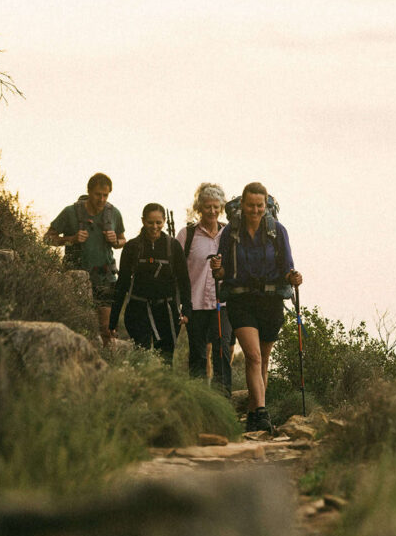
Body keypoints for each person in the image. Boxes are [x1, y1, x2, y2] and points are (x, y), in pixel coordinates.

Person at [211, 182, 302, 433]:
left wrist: (293, 277)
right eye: (251, 205)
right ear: (242, 204)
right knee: (253, 356)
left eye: (259, 205)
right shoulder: (231, 232)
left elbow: (287, 267)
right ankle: (262, 413)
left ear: (266, 205)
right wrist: (218, 270)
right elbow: (223, 269)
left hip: (270, 301)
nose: (255, 210)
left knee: (263, 361)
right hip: (241, 301)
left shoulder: (277, 231)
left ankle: (252, 413)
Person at [45, 173, 126, 344]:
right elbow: (47, 238)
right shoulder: (70, 212)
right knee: (76, 324)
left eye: (105, 195)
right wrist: (71, 239)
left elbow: (122, 240)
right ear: (89, 191)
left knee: (106, 329)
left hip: (105, 277)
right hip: (75, 277)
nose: (102, 199)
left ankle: (107, 367)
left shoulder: (114, 213)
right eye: (98, 194)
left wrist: (116, 241)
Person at [109, 203, 191, 365]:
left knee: (166, 361)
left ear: (164, 222)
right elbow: (123, 283)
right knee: (141, 359)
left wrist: (186, 309)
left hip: (167, 311)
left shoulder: (173, 246)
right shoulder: (132, 247)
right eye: (150, 222)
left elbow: (183, 280)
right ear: (143, 221)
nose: (154, 227)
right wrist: (113, 320)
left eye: (158, 223)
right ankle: (140, 389)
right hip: (138, 310)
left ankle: (163, 390)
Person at [178, 183, 234, 396]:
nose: (212, 211)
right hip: (196, 303)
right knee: (198, 355)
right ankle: (199, 400)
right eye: (207, 206)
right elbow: (178, 271)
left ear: (221, 208)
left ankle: (223, 402)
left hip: (223, 304)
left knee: (222, 353)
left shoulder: (228, 235)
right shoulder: (187, 235)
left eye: (216, 207)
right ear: (199, 207)